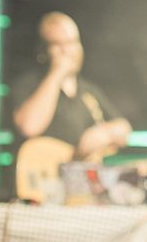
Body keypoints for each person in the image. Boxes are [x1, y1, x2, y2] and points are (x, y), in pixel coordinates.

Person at [10, 12, 131, 159]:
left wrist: (105, 133)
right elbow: (29, 127)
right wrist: (56, 73)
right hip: (42, 172)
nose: (67, 50)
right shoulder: (28, 84)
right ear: (43, 50)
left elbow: (124, 128)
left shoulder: (89, 91)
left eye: (72, 42)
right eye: (57, 44)